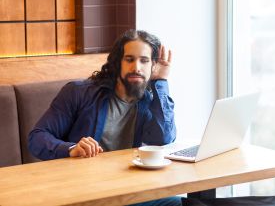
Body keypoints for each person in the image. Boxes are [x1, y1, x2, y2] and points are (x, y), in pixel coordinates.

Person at [28, 29, 182, 206]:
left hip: (130, 192)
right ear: (118, 63)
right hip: (86, 194)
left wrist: (161, 82)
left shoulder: (149, 101)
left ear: (152, 66)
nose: (137, 67)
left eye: (144, 61)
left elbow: (163, 139)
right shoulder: (79, 93)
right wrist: (71, 149)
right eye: (129, 59)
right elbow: (37, 138)